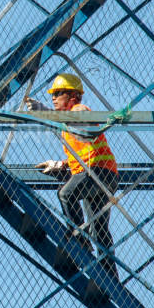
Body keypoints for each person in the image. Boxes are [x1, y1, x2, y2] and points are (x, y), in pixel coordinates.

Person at [26, 72, 119, 279]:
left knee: (65, 194)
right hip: (104, 174)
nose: (53, 97)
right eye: (53, 94)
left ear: (73, 96)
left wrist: (46, 113)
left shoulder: (79, 110)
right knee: (99, 229)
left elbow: (81, 125)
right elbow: (80, 152)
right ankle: (110, 275)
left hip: (97, 172)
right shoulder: (67, 124)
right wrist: (59, 164)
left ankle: (80, 239)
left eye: (58, 93)